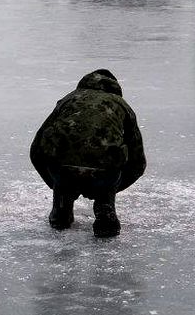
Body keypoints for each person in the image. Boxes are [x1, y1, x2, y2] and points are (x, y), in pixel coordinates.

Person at [29, 69, 146, 238]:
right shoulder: (121, 105)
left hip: (62, 171)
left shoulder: (68, 100)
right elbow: (138, 161)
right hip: (105, 173)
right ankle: (105, 206)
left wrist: (55, 182)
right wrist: (112, 188)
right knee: (111, 161)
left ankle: (61, 209)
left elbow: (37, 149)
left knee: (62, 163)